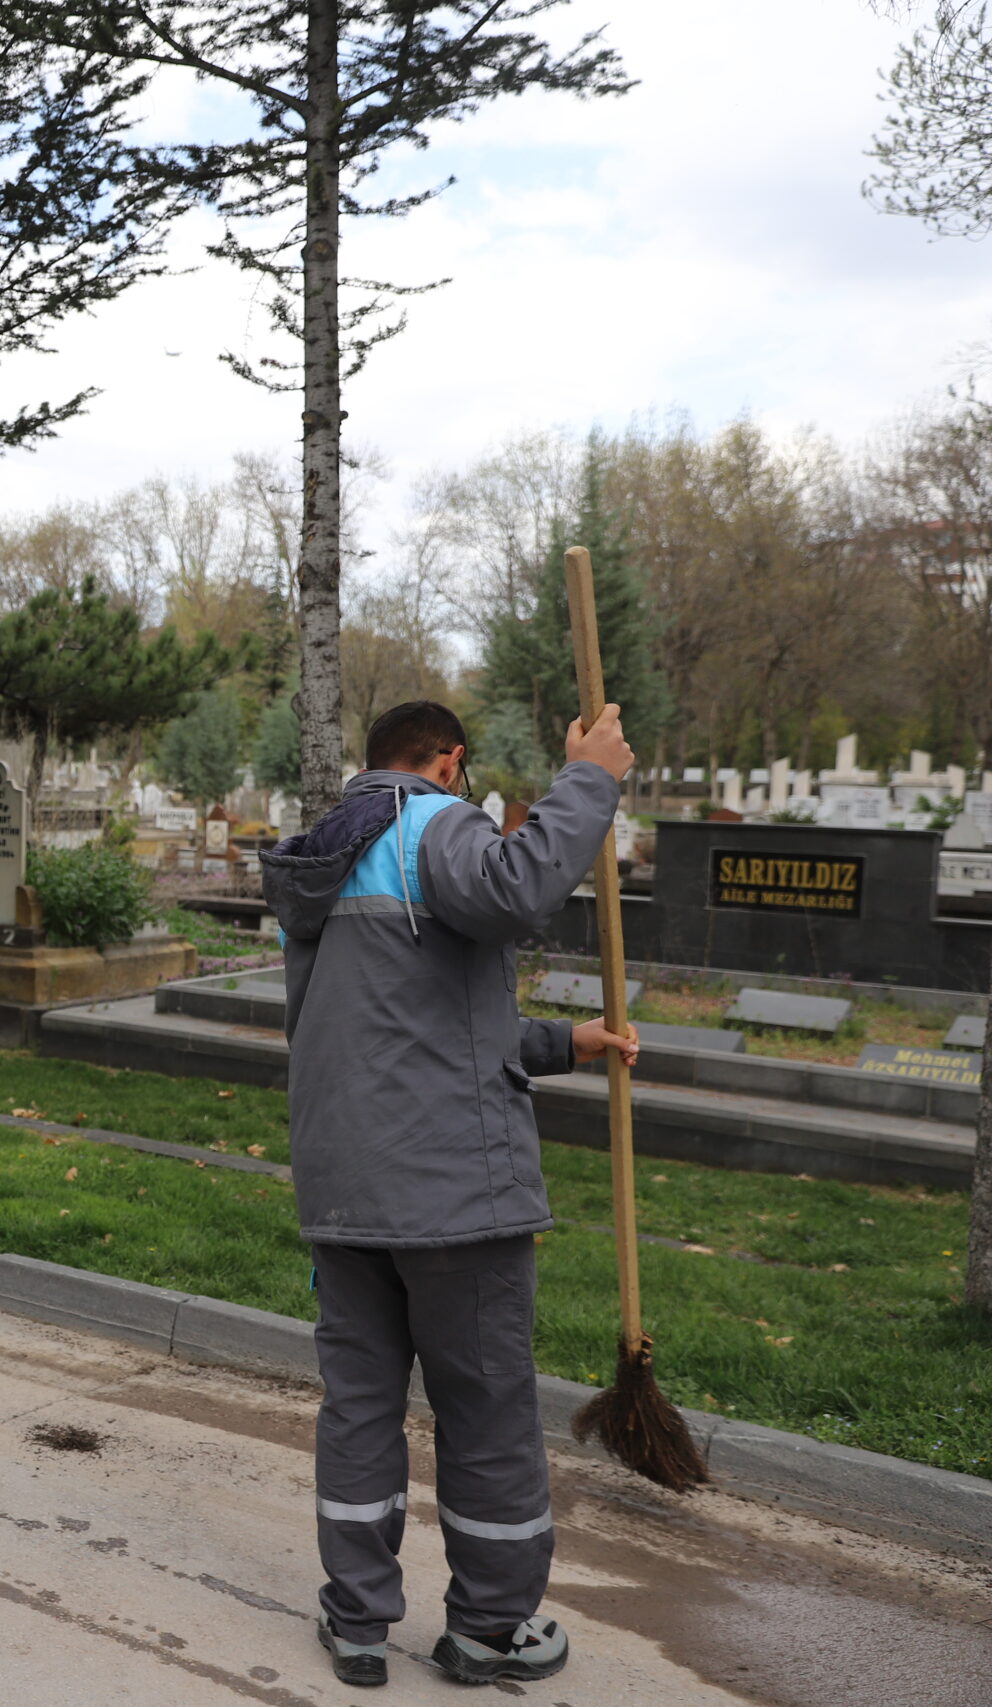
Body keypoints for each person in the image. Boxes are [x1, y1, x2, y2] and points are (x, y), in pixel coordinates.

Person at [261, 699, 638, 1689]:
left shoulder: (327, 851)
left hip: (344, 1189)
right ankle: (488, 1628)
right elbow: (517, 892)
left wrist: (563, 1043)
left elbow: (406, 1024)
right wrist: (590, 778)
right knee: (484, 1412)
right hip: (454, 1196)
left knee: (358, 1408)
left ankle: (354, 1620)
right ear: (448, 760)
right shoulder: (430, 823)